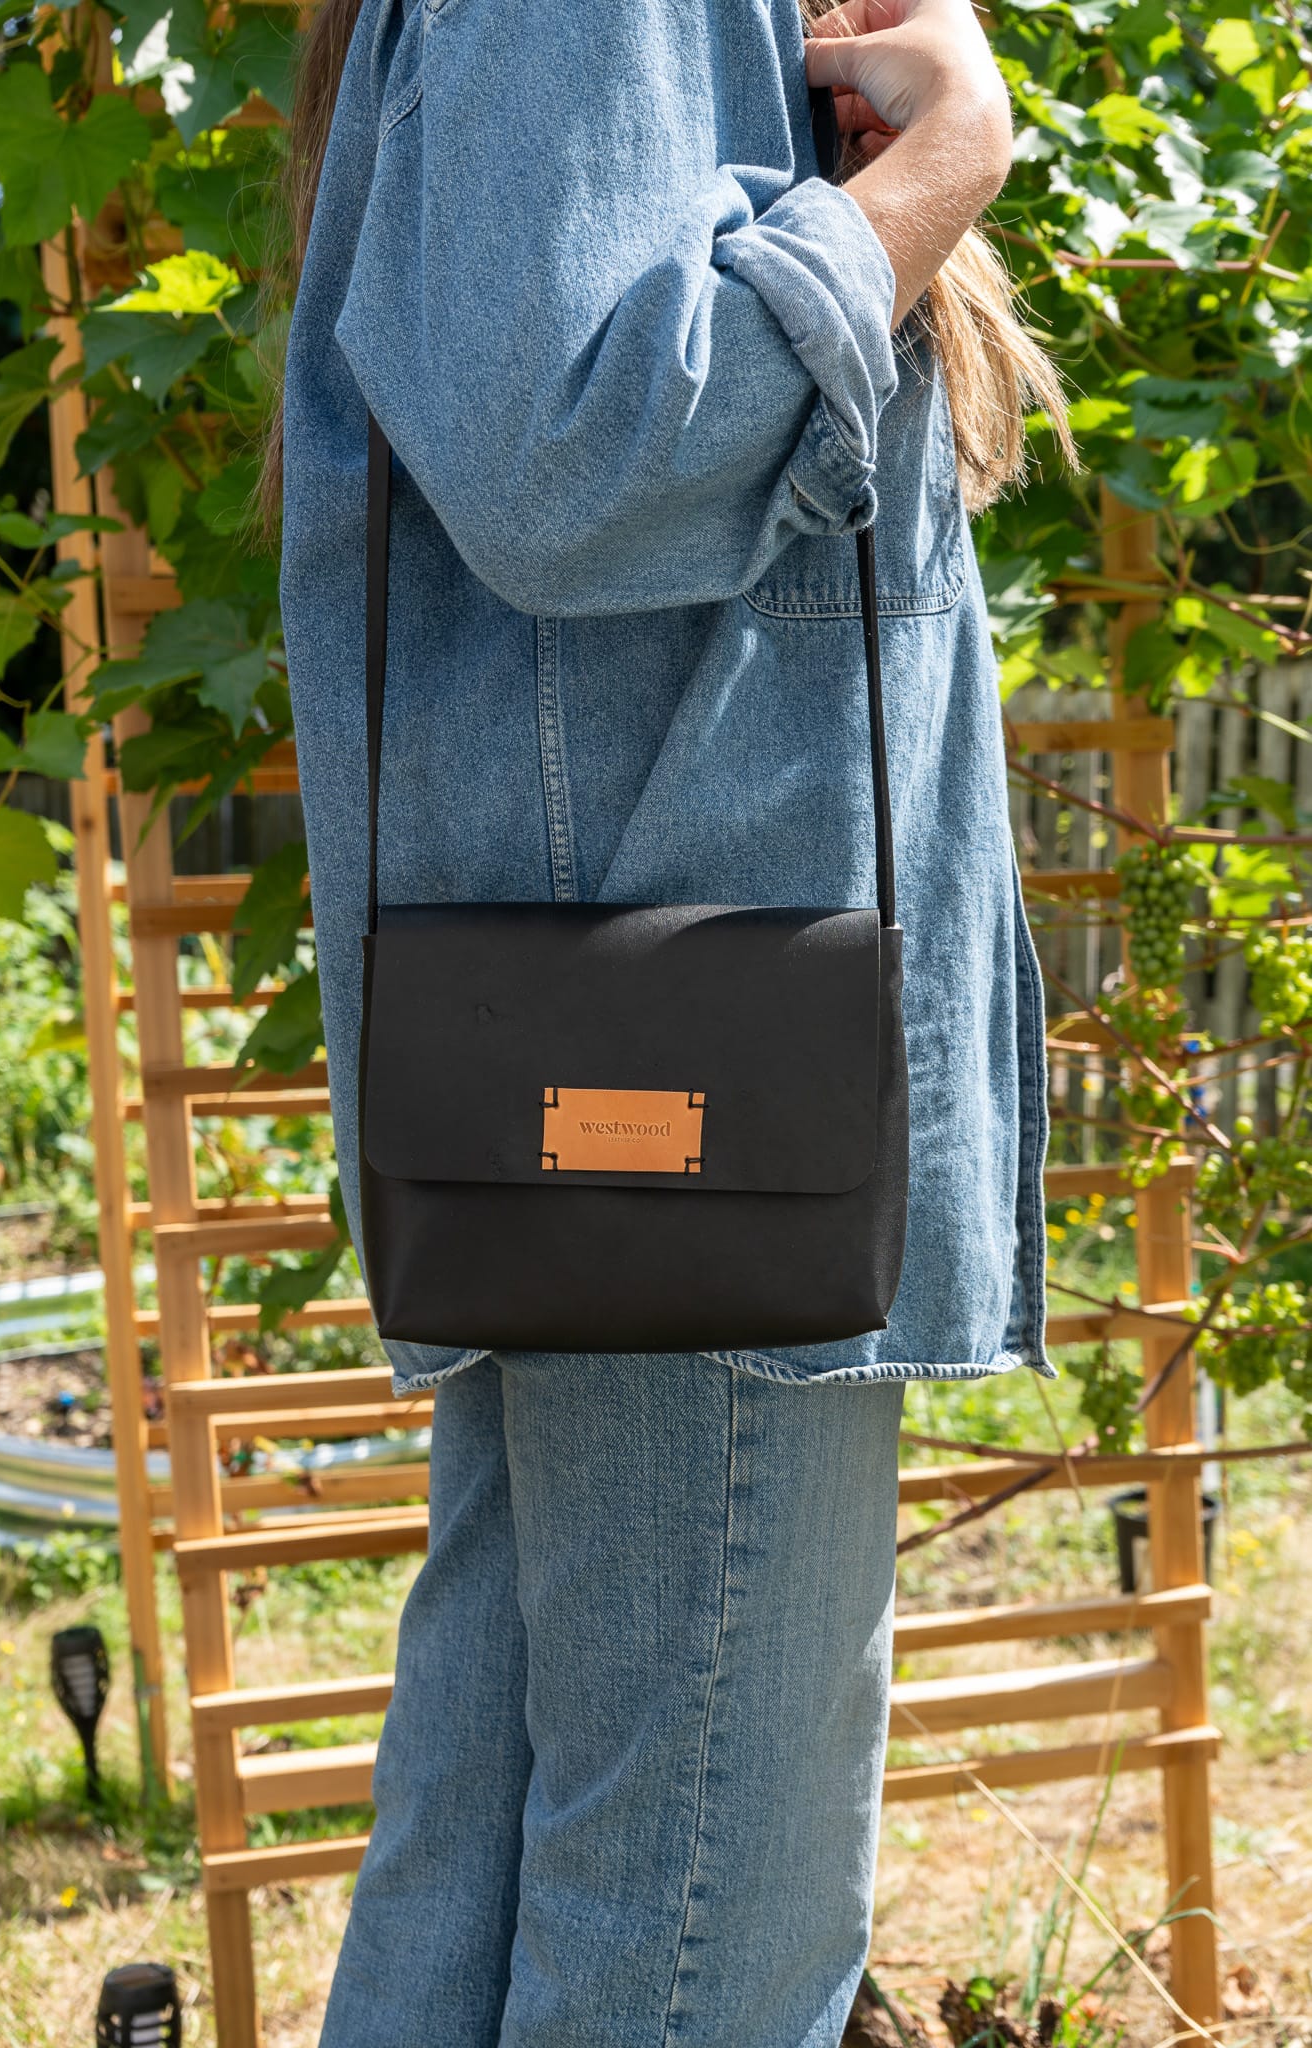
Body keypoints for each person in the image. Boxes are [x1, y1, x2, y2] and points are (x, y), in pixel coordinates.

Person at [266, 0, 1075, 2039]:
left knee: (507, 1854)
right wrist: (935, 169)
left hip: (655, 1057)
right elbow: (572, 458)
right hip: (698, 1095)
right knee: (699, 1931)